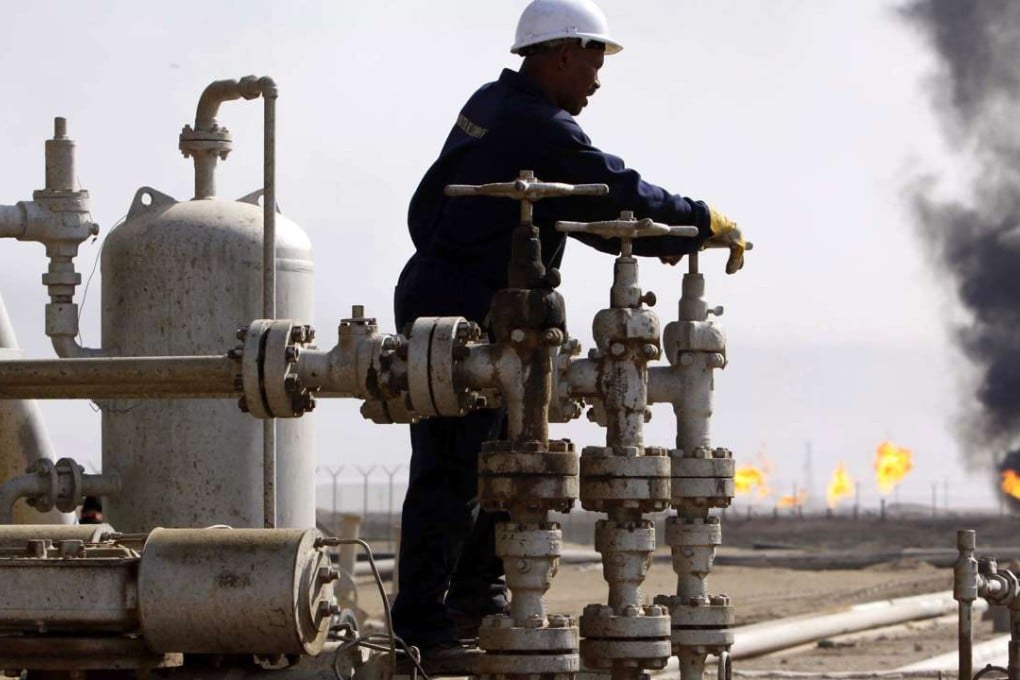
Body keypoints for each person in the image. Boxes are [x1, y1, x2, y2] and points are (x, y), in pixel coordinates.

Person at [391, 0, 746, 668]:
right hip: (463, 305)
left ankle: (474, 597)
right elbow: (614, 191)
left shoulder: (493, 102)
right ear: (559, 52)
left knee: (500, 460)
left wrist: (644, 238)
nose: (597, 79)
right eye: (592, 60)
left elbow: (573, 206)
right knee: (452, 468)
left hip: (468, 297)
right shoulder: (538, 124)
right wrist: (700, 220)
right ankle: (422, 625)